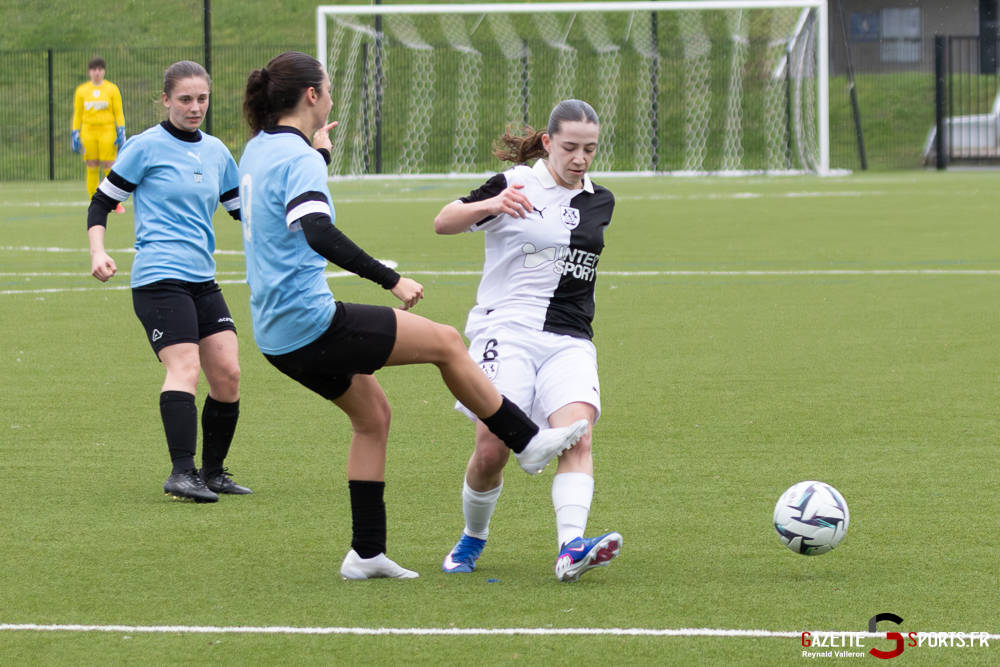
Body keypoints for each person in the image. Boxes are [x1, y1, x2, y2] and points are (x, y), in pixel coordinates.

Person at [238, 51, 587, 580]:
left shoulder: (260, 148)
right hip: (310, 322)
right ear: (312, 95)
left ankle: (366, 553)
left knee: (373, 416)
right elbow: (316, 230)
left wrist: (319, 155)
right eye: (328, 87)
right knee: (446, 342)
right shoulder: (299, 158)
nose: (331, 95)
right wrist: (390, 278)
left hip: (273, 333)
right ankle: (526, 439)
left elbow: (282, 198)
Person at [434, 100, 622, 582]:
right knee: (492, 448)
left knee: (578, 434)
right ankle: (473, 536)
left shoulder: (600, 200)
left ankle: (571, 548)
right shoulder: (516, 182)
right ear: (547, 142)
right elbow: (444, 221)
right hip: (507, 329)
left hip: (570, 337)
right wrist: (492, 205)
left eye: (590, 149)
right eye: (571, 147)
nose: (581, 158)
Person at [86, 61, 250, 504]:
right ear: (165, 100)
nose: (195, 107)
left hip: (202, 279)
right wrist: (98, 251)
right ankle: (182, 473)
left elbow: (244, 212)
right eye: (185, 99)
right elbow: (101, 202)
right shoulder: (145, 147)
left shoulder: (217, 151)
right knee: (185, 368)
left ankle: (213, 473)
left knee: (228, 374)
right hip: (159, 277)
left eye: (202, 99)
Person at [73, 56, 126, 213]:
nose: (97, 72)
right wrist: (75, 132)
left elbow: (118, 111)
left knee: (109, 165)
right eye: (93, 69)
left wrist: (121, 129)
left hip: (107, 130)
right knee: (91, 164)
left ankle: (114, 202)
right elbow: (78, 113)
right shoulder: (82, 90)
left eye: (100, 69)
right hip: (88, 131)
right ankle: (94, 201)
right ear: (89, 71)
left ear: (104, 71)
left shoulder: (112, 89)